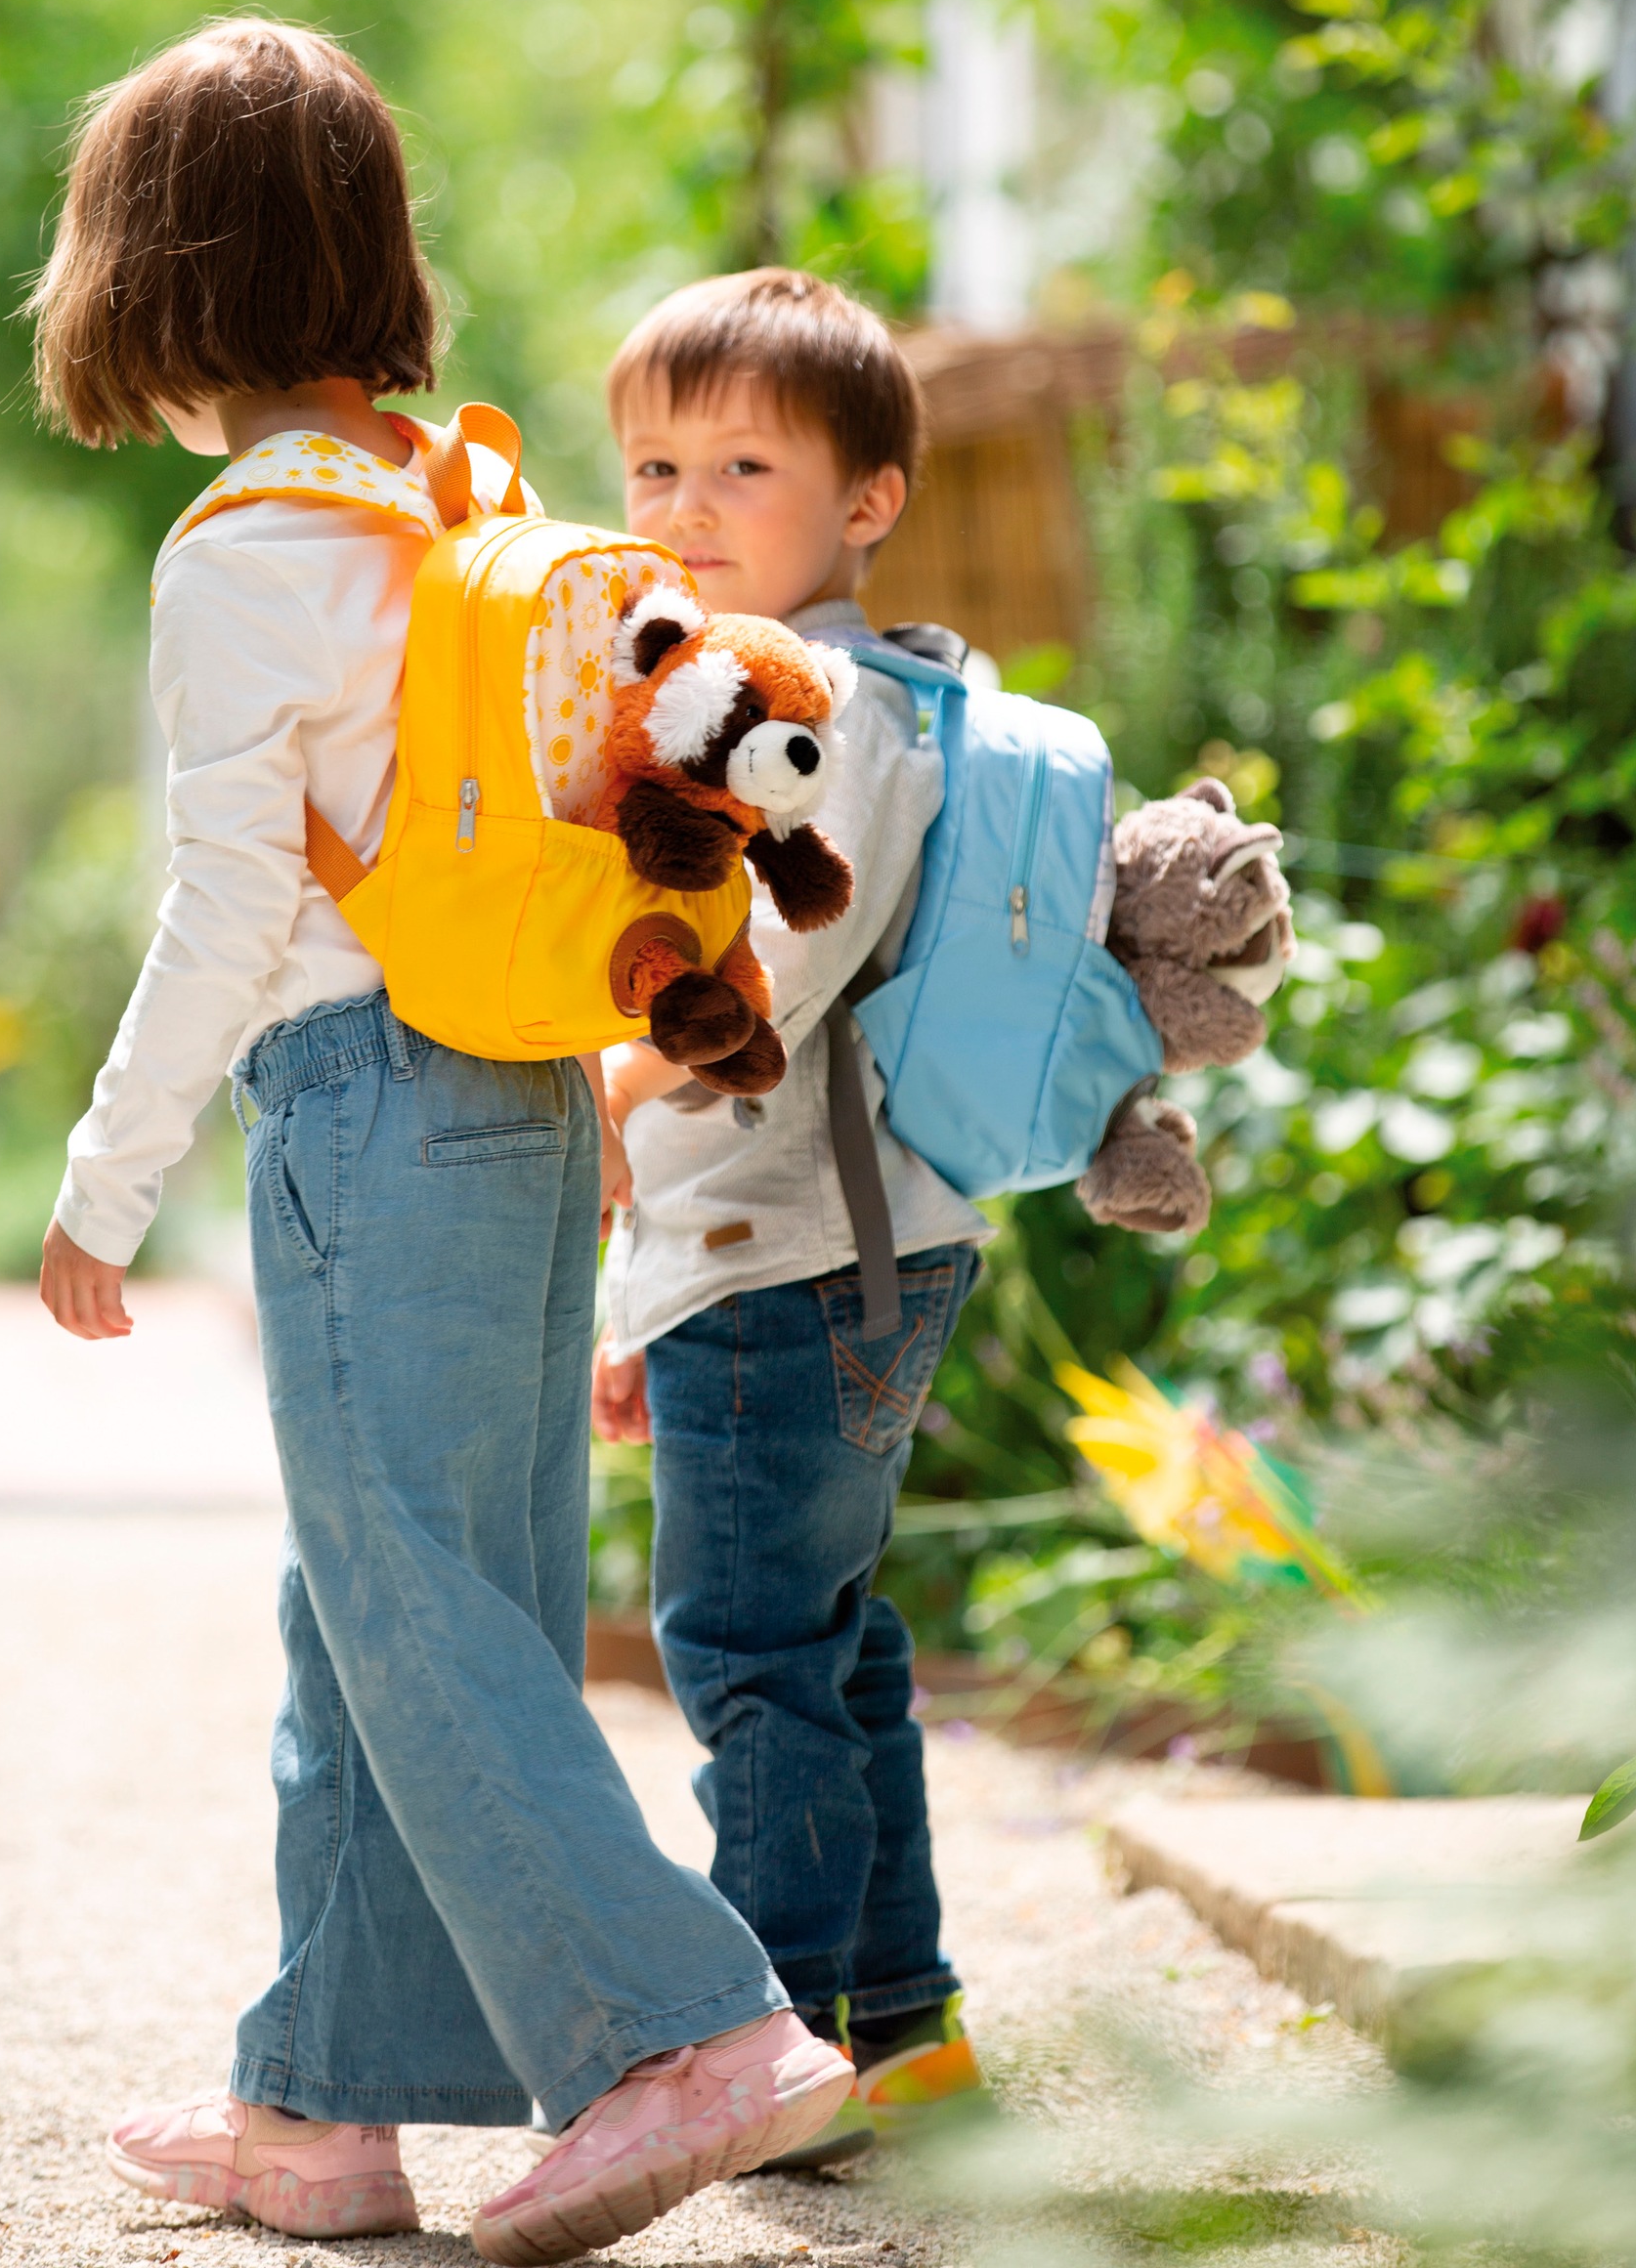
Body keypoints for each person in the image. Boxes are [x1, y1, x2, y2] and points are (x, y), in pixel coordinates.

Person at [31, 23, 850, 2261]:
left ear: (149, 279)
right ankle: (322, 2098)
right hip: (515, 1090)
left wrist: (109, 1172)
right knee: (404, 1591)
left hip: (361, 1109)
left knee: (403, 1597)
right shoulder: (456, 504)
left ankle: (681, 2031)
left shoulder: (241, 556)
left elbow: (225, 911)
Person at [595, 268, 991, 2168]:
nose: (682, 500)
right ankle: (899, 2032)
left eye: (742, 461)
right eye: (654, 458)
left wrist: (600, 1087)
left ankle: (784, 2042)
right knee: (828, 1638)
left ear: (865, 498)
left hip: (782, 1250)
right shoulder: (859, 682)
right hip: (839, 1241)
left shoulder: (814, 696)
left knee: (744, 1643)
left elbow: (776, 961)